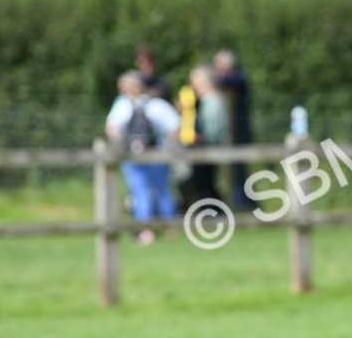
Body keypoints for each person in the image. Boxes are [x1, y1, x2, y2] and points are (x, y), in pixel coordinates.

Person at [105, 71, 181, 244]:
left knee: (140, 193)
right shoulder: (157, 104)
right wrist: (172, 146)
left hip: (133, 155)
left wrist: (122, 146)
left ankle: (147, 232)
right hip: (159, 153)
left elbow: (111, 128)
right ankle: (171, 229)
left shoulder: (123, 106)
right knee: (163, 191)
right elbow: (175, 126)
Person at [213, 50, 254, 210]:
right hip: (230, 134)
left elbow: (226, 81)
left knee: (238, 171)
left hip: (239, 134)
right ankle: (241, 204)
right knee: (233, 172)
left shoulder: (238, 79)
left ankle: (243, 205)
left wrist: (214, 79)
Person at [183, 65, 229, 206]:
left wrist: (199, 138)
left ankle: (213, 211)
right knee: (203, 184)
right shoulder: (204, 100)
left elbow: (213, 131)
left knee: (205, 184)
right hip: (204, 148)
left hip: (207, 148)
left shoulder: (213, 100)